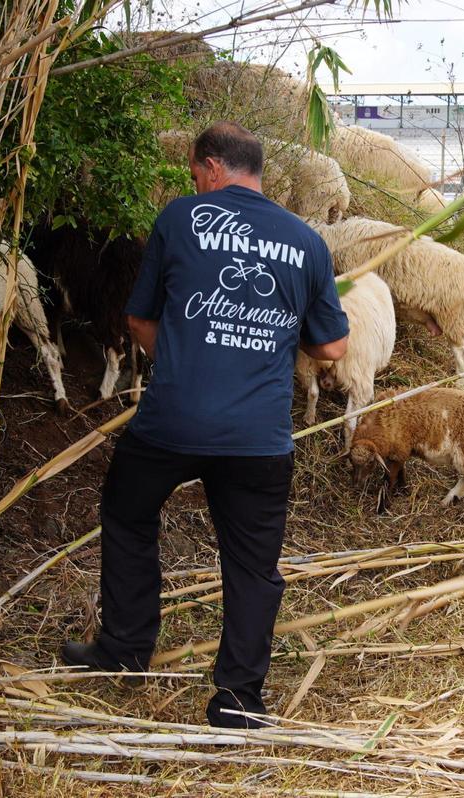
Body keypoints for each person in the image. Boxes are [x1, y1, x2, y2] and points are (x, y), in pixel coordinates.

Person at [62, 121, 349, 728]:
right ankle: (238, 701)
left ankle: (123, 650)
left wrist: (184, 358)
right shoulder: (307, 243)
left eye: (196, 174)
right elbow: (334, 349)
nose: (195, 184)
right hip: (258, 439)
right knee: (251, 564)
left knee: (127, 510)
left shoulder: (179, 219)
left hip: (171, 422)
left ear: (213, 167)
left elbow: (139, 320)